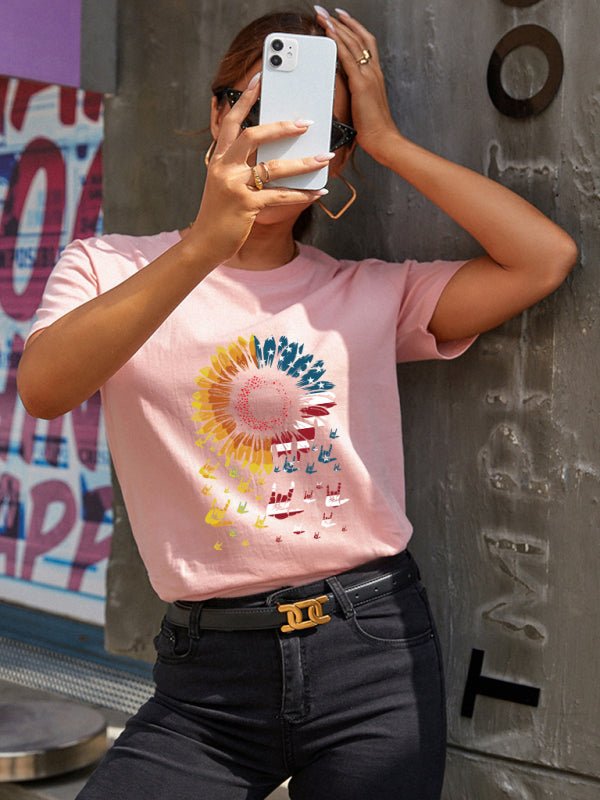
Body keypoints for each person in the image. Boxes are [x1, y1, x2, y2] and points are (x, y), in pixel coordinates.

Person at [17, 6, 577, 800]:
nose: (292, 139)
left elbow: (543, 259)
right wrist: (208, 241)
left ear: (342, 162)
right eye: (262, 109)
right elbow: (45, 388)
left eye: (327, 132)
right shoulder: (107, 267)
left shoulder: (367, 292)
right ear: (218, 113)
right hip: (205, 685)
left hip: (370, 651)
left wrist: (385, 141)